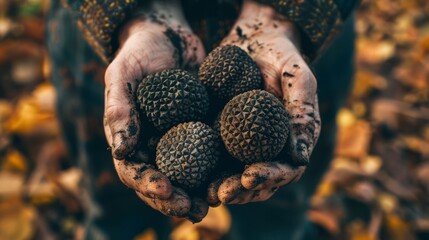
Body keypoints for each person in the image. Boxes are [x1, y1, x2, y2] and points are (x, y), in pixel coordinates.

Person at [47, 0, 358, 239]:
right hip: (104, 32)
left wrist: (284, 13)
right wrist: (135, 12)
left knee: (278, 219)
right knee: (112, 208)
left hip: (301, 39)